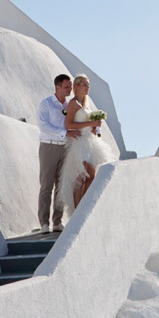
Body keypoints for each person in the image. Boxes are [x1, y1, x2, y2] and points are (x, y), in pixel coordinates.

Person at [57, 74, 117, 215]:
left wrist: (94, 127)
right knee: (81, 176)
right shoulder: (73, 103)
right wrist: (90, 123)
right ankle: (78, 211)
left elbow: (87, 123)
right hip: (79, 142)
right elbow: (69, 124)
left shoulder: (86, 105)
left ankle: (85, 207)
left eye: (88, 84)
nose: (88, 87)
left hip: (90, 141)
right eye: (85, 84)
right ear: (76, 86)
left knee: (92, 175)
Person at [37, 74, 80, 234]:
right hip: (48, 147)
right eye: (67, 87)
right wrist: (65, 133)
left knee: (61, 186)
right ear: (58, 87)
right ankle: (44, 222)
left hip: (65, 148)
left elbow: (74, 123)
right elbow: (43, 126)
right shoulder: (46, 104)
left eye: (70, 86)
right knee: (46, 185)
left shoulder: (69, 105)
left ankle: (57, 221)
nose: (70, 89)